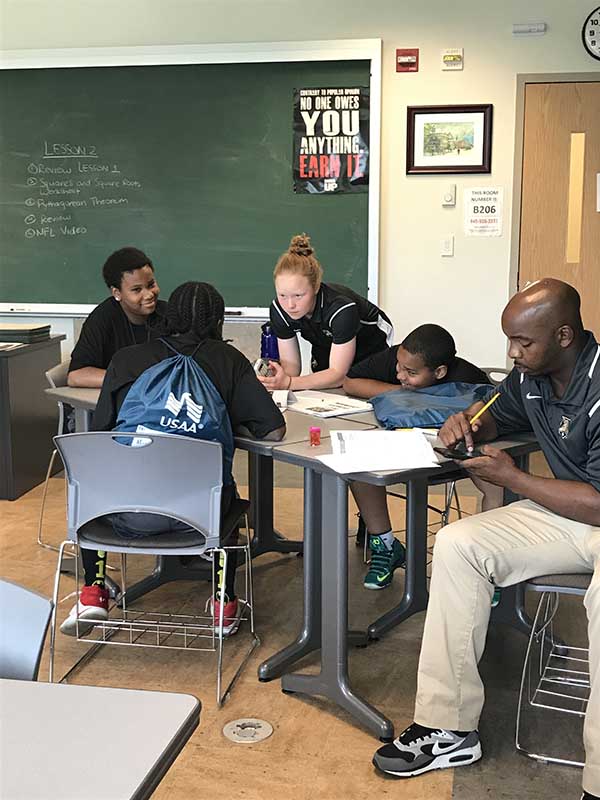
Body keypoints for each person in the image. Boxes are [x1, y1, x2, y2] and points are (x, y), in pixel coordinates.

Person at [372, 279, 600, 800]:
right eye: (510, 341)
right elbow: (498, 415)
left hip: (594, 507)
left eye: (523, 342)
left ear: (564, 335)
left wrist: (514, 479)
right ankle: (448, 728)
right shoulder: (533, 377)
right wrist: (467, 426)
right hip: (568, 512)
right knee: (459, 544)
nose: (512, 354)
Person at [60, 281, 285, 638]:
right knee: (224, 491)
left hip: (122, 512)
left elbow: (103, 435)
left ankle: (94, 593)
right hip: (199, 518)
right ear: (218, 319)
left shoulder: (127, 359)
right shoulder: (227, 361)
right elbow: (273, 431)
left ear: (170, 314)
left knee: (95, 484)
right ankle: (224, 605)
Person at [344, 324, 491, 590]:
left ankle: (490, 563)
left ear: (440, 372)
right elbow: (351, 381)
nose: (399, 373)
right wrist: (405, 397)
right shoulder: (400, 359)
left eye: (410, 373)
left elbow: (490, 406)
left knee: (495, 473)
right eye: (399, 366)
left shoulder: (468, 377)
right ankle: (385, 546)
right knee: (358, 463)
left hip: (451, 455)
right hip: (400, 447)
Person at [258, 233, 393, 392]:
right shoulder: (279, 309)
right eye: (282, 295)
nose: (290, 305)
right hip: (326, 339)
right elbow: (292, 370)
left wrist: (288, 383)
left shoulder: (341, 309)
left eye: (298, 296)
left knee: (354, 384)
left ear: (315, 287)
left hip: (371, 341)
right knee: (322, 387)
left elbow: (338, 374)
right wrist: (278, 379)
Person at [67, 246, 167, 388]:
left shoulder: (169, 314)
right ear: (117, 293)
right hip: (120, 403)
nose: (149, 294)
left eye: (151, 285)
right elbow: (76, 376)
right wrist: (135, 380)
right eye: (137, 290)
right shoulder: (101, 319)